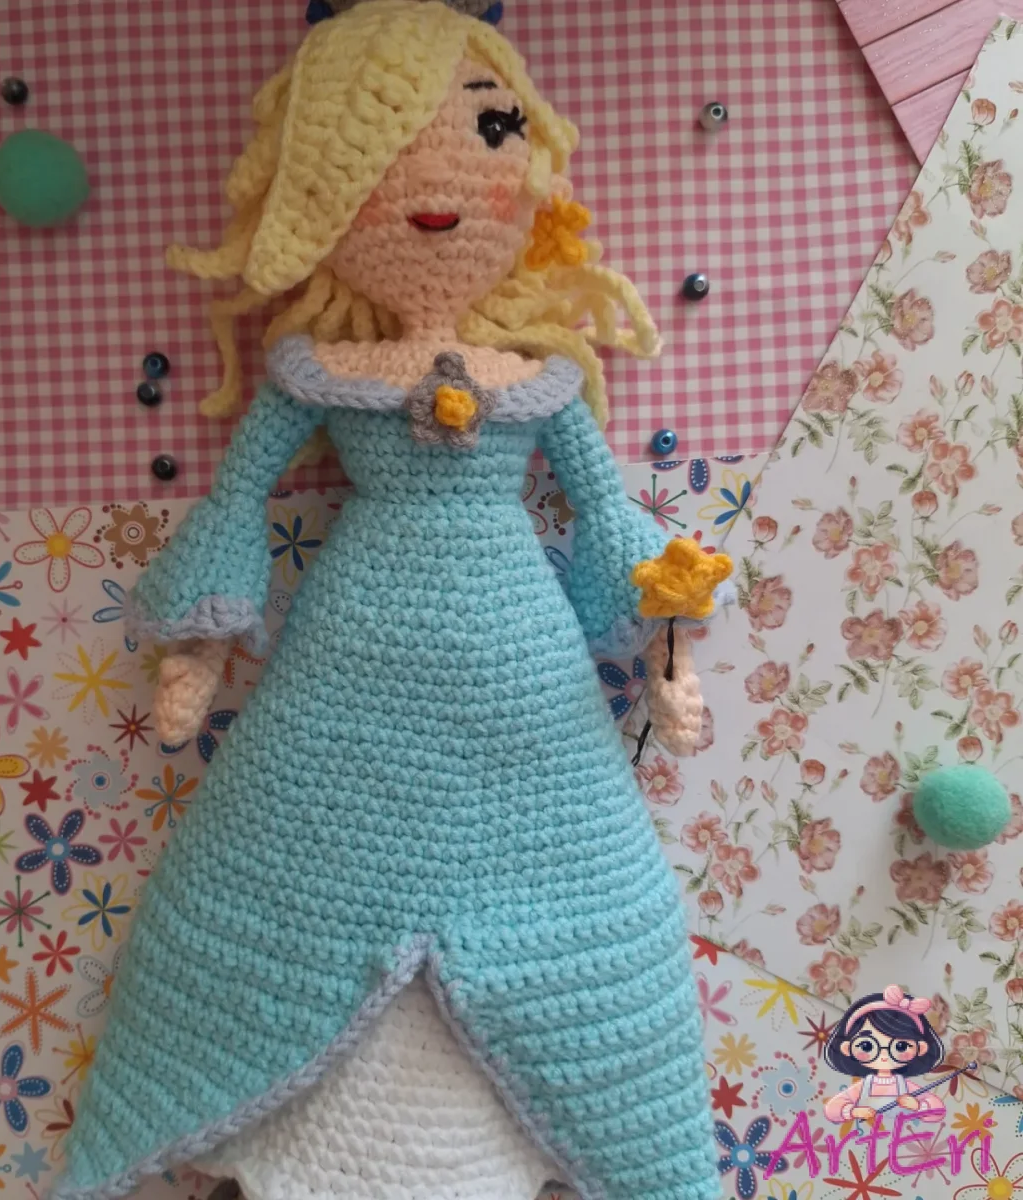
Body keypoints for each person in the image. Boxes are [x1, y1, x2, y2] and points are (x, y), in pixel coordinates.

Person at [52, 3, 723, 1198]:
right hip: (345, 678)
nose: (440, 195)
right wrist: (198, 647)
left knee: (584, 890)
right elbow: (240, 498)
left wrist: (670, 653)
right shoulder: (318, 373)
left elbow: (609, 516)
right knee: (294, 876)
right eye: (384, 164)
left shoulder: (541, 379)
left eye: (491, 135)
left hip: (527, 692)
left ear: (531, 179)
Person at [823, 985, 947, 1125]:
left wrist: (918, 1106)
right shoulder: (864, 1086)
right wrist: (853, 1111)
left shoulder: (904, 1086)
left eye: (901, 1046)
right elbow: (831, 1109)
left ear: (921, 1048)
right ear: (847, 1048)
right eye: (867, 1046)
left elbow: (938, 1111)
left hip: (904, 1136)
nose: (883, 1055)